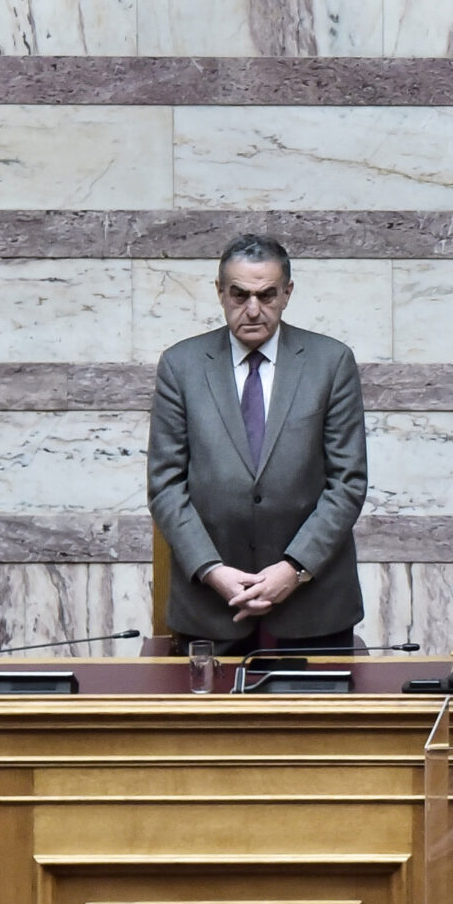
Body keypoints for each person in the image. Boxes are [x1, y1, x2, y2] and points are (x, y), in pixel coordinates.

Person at [148, 234, 368, 655]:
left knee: (319, 724)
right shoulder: (181, 366)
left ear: (287, 292)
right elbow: (165, 485)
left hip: (314, 605)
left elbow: (348, 483)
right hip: (211, 607)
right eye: (239, 295)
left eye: (267, 295)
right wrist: (212, 571)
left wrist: (295, 569)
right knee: (214, 724)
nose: (253, 309)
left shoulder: (331, 362)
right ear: (219, 292)